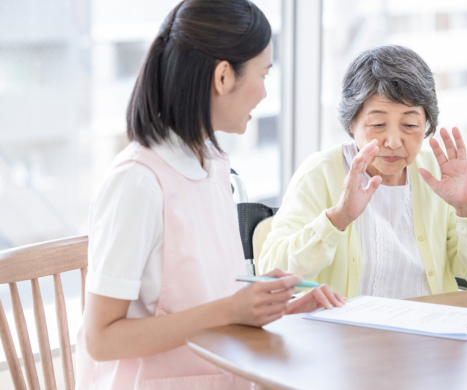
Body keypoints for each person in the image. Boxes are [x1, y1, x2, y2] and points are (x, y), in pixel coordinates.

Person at [76, 1, 344, 389]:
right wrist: (230, 310)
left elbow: (209, 300)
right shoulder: (137, 182)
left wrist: (277, 308)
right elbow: (100, 340)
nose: (265, 93)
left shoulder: (213, 164)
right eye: (264, 74)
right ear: (223, 77)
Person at [258, 45, 467, 300]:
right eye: (377, 124)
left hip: (430, 331)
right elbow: (272, 277)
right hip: (348, 336)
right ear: (351, 122)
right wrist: (338, 219)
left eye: (410, 125)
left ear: (426, 125)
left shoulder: (438, 173)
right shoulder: (320, 173)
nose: (394, 141)